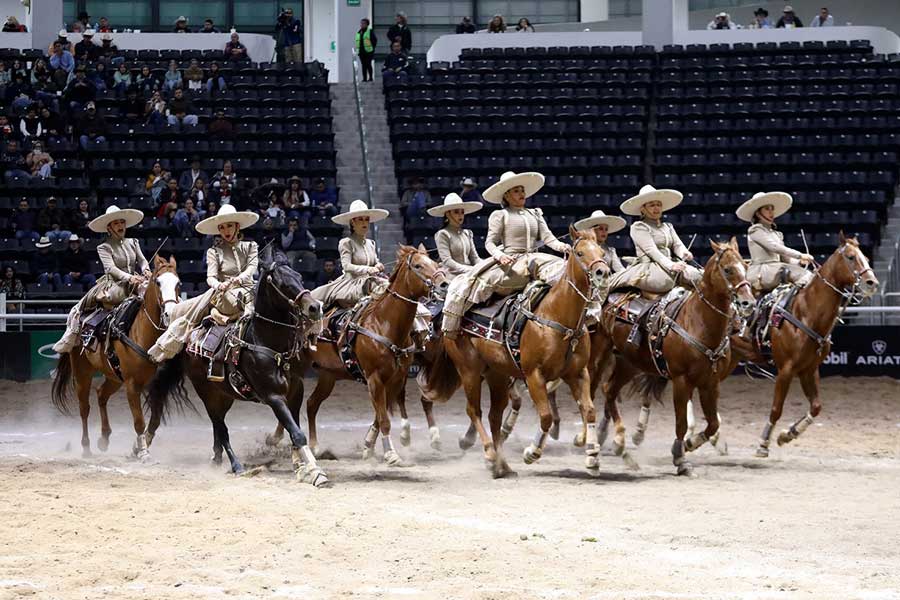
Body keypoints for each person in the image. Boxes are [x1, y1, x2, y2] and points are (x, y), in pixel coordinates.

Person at [442, 171, 570, 338]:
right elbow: (490, 243)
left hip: (534, 258)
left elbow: (549, 238)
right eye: (516, 191)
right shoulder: (500, 215)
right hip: (511, 261)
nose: (522, 194)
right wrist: (500, 256)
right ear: (507, 196)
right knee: (467, 285)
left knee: (566, 268)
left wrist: (563, 247)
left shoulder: (535, 214)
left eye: (522, 190)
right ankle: (453, 328)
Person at [148, 204, 259, 364]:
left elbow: (252, 267)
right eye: (222, 228)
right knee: (243, 299)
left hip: (249, 287)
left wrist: (240, 278)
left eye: (229, 226)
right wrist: (218, 285)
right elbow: (211, 278)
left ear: (237, 226)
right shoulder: (214, 251)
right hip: (226, 295)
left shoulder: (251, 247)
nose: (226, 231)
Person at [53, 205, 151, 353]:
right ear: (109, 228)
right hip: (114, 285)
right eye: (116, 223)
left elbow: (142, 261)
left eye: (122, 222)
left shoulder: (134, 242)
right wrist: (130, 278)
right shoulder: (104, 247)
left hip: (135, 280)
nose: (120, 226)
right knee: (80, 307)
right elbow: (111, 269)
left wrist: (146, 270)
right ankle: (71, 335)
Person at [607, 185, 701, 295]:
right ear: (643, 209)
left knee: (699, 277)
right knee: (667, 282)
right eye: (652, 205)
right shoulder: (639, 227)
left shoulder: (668, 226)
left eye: (658, 205)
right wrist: (671, 266)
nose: (656, 208)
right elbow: (652, 251)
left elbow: (677, 245)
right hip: (650, 267)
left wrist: (685, 253)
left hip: (671, 263)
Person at [310, 199, 388, 309]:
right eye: (360, 219)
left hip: (370, 280)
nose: (364, 223)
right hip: (352, 283)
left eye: (366, 219)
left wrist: (378, 265)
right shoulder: (346, 242)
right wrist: (367, 269)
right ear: (352, 222)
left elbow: (375, 261)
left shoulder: (371, 243)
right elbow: (347, 266)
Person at [736, 192, 813, 293]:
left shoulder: (776, 234)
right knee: (804, 275)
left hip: (776, 269)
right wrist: (800, 255)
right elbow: (774, 247)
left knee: (809, 275)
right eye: (767, 209)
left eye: (772, 209)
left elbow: (785, 258)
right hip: (762, 272)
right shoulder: (755, 230)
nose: (771, 212)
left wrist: (799, 262)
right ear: (758, 213)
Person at [429, 193, 481, 280]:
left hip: (470, 273)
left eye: (462, 212)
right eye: (456, 212)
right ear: (448, 214)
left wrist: (485, 265)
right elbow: (447, 261)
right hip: (452, 275)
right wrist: (468, 269)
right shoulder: (443, 234)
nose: (460, 215)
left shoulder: (467, 233)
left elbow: (475, 258)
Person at [574, 209, 626, 273]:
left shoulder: (611, 251)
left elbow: (620, 270)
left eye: (606, 229)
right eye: (600, 229)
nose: (604, 232)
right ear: (592, 230)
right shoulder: (583, 249)